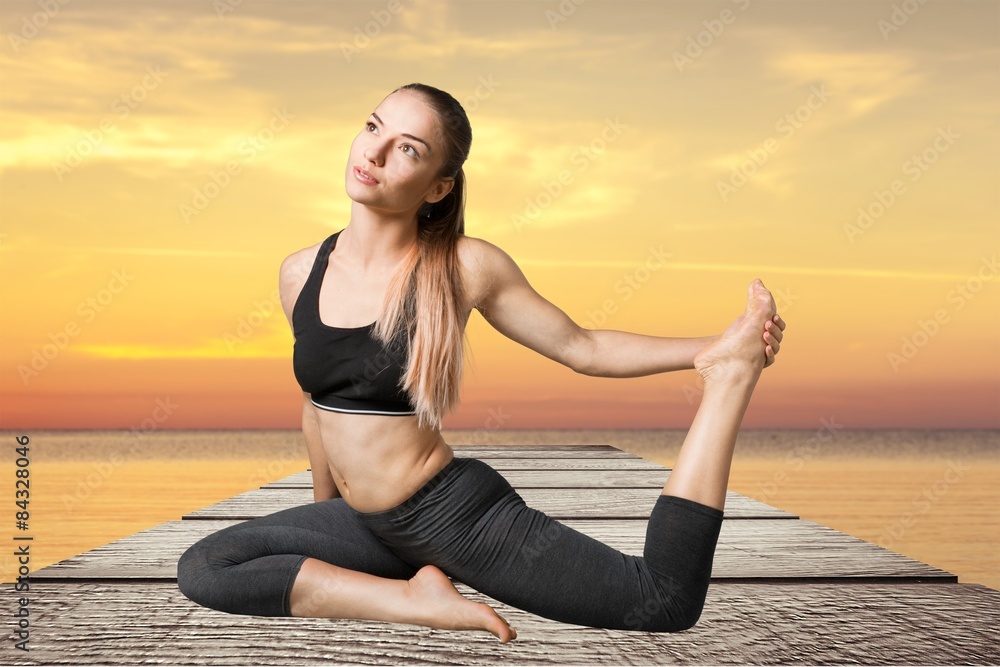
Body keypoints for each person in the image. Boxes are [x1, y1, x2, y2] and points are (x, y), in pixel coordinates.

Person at [176, 82, 786, 643]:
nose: (376, 152)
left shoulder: (464, 266)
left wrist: (709, 352)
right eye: (372, 127)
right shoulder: (298, 272)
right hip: (365, 523)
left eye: (408, 149)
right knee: (205, 567)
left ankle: (729, 380)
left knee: (663, 600)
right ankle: (415, 599)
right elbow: (319, 405)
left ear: (438, 186)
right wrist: (322, 521)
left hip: (450, 516)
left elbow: (583, 347)